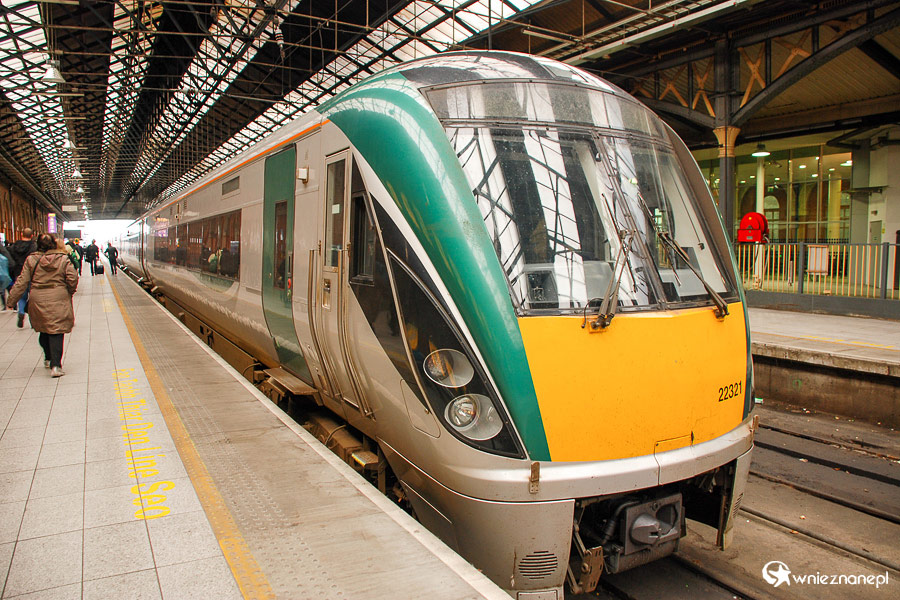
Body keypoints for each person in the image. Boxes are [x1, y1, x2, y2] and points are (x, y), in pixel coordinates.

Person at [6, 233, 78, 377]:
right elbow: (73, 278)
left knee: (44, 329)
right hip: (59, 297)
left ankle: (48, 357)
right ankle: (56, 366)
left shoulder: (31, 260)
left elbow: (22, 282)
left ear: (38, 244)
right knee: (57, 331)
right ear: (53, 244)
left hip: (37, 298)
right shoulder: (63, 259)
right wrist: (68, 292)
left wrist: (11, 301)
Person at [8, 228, 37, 328]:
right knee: (33, 296)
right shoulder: (34, 246)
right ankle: (33, 319)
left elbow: (10, 260)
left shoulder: (14, 246)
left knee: (21, 296)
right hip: (32, 273)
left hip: (18, 273)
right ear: (32, 235)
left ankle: (21, 312)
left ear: (21, 234)